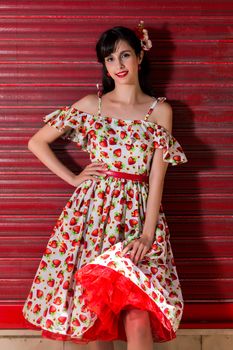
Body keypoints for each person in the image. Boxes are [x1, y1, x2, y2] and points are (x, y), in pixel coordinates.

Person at [22, 21, 188, 350]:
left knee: (138, 314)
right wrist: (73, 177)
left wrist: (148, 233)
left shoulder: (160, 111)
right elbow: (37, 142)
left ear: (140, 56)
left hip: (138, 219)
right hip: (91, 219)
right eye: (109, 59)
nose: (118, 65)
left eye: (125, 55)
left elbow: (157, 178)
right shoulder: (91, 106)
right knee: (96, 315)